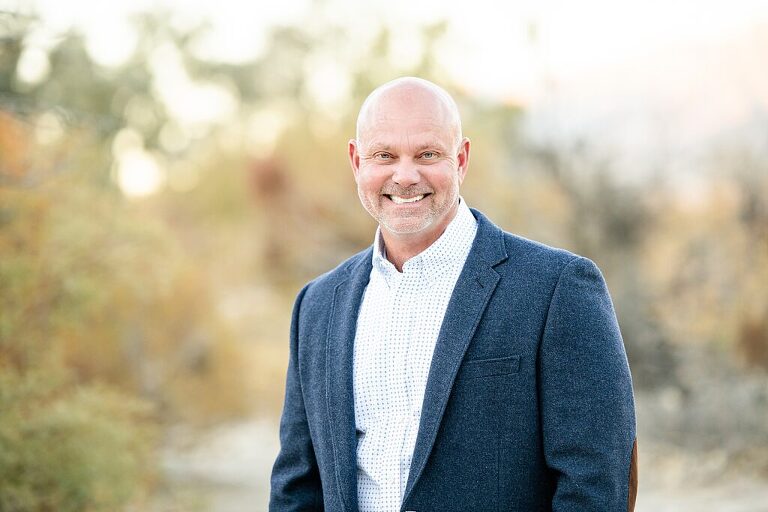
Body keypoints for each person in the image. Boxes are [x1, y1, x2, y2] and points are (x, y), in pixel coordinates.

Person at [270, 77, 638, 512]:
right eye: (384, 155)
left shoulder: (557, 287)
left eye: (427, 154)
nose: (405, 176)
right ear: (356, 161)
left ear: (461, 159)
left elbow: (595, 484)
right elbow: (296, 488)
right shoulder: (317, 306)